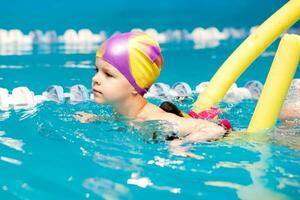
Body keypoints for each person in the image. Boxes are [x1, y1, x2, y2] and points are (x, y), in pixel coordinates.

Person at [74, 31, 232, 159]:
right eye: (96, 70)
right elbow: (126, 122)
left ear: (135, 85)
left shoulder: (154, 120)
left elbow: (214, 129)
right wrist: (98, 120)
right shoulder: (121, 109)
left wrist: (182, 143)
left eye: (108, 74)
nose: (95, 79)